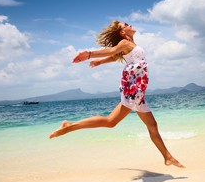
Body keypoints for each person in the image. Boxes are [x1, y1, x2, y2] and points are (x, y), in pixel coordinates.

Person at [49, 21, 185, 168]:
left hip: (137, 90)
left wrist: (100, 62)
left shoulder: (130, 45)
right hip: (133, 88)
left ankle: (168, 157)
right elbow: (112, 51)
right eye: (126, 24)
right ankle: (71, 126)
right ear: (122, 32)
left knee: (151, 124)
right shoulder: (125, 42)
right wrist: (89, 54)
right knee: (111, 121)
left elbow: (115, 56)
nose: (130, 24)